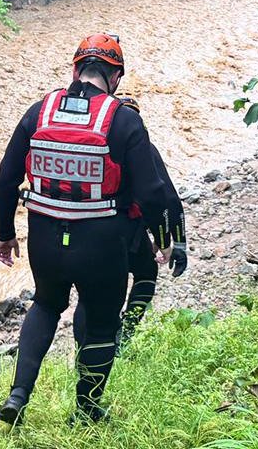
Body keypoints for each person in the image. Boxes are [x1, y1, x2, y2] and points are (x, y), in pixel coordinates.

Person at [0, 33, 181, 425]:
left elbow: (7, 177)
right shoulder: (123, 119)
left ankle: (19, 394)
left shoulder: (38, 112)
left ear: (76, 69)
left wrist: (5, 232)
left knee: (45, 305)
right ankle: (87, 408)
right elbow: (152, 191)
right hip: (101, 243)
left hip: (44, 238)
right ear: (115, 77)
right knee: (100, 318)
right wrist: (163, 241)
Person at [72, 95, 187, 351]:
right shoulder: (143, 148)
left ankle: (82, 354)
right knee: (146, 273)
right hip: (127, 231)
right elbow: (167, 199)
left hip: (83, 230)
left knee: (88, 293)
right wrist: (176, 242)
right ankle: (125, 334)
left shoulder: (86, 145)